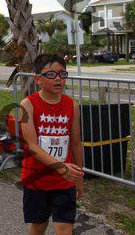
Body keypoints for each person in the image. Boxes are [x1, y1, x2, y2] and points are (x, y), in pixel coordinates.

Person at [19, 54, 84, 235]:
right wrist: (61, 167)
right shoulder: (27, 105)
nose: (58, 78)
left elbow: (76, 143)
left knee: (65, 228)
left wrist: (78, 177)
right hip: (36, 179)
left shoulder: (72, 106)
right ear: (38, 79)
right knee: (39, 225)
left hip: (64, 180)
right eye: (51, 74)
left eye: (62, 74)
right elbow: (32, 146)